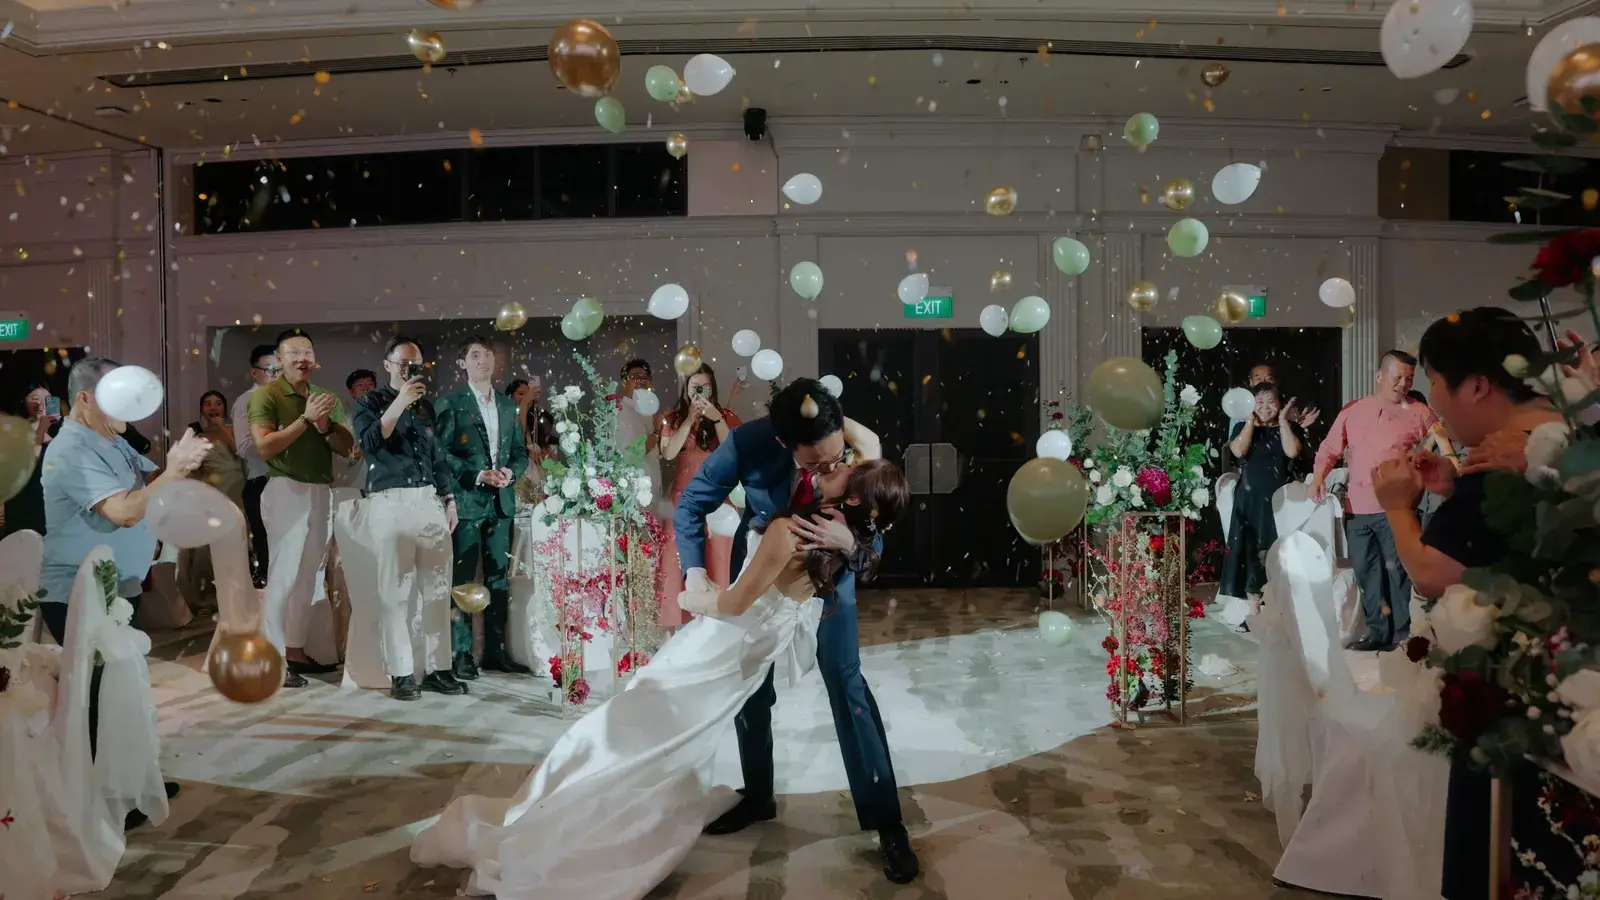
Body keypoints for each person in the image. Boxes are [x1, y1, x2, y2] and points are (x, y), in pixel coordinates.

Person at [411, 455, 911, 898]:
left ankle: (570, 820)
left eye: (843, 465)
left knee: (633, 721)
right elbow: (863, 491)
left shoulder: (799, 532)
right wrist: (852, 538)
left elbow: (736, 603)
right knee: (660, 727)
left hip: (723, 638)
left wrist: (690, 599)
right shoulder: (827, 533)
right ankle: (718, 798)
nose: (834, 460)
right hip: (748, 652)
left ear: (849, 498)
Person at [671, 378, 917, 883]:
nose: (831, 471)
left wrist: (854, 543)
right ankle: (758, 795)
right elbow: (691, 504)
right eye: (816, 466)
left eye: (836, 460)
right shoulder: (751, 442)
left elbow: (878, 517)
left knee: (848, 685)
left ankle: (887, 822)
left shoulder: (847, 442)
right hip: (764, 577)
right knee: (749, 689)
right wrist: (696, 572)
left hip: (829, 583)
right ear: (785, 446)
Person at [1368, 308, 1571, 899]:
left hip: (1521, 709)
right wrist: (1454, 493)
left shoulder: (1508, 457)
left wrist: (1398, 505)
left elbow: (1432, 572)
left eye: (1434, 379)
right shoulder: (1564, 435)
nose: (1432, 399)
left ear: (1478, 385)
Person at [38, 357, 210, 827]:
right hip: (78, 591)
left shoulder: (112, 439)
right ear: (86, 398)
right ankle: (101, 802)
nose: (131, 410)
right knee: (95, 697)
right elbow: (124, 511)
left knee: (123, 691)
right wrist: (173, 472)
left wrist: (182, 465)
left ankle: (133, 781)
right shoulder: (71, 449)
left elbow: (152, 485)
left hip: (118, 587)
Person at [340, 336, 466, 701]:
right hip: (389, 500)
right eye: (404, 363)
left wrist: (449, 499)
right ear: (389, 365)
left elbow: (437, 456)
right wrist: (399, 402)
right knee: (395, 592)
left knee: (439, 588)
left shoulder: (426, 408)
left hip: (428, 500)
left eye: (417, 363)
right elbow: (370, 442)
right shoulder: (370, 401)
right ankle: (401, 672)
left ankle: (439, 668)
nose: (411, 369)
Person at [247, 329, 355, 688]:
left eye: (307, 350)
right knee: (283, 574)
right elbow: (264, 447)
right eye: (293, 351)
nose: (302, 357)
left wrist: (325, 428)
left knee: (309, 575)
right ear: (279, 360)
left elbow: (348, 448)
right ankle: (272, 657)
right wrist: (305, 420)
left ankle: (294, 651)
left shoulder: (327, 397)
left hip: (321, 489)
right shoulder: (267, 395)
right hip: (284, 488)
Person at [1310, 350, 1438, 651]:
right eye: (1397, 378)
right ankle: (1379, 634)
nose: (1403, 384)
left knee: (1398, 573)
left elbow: (1443, 438)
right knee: (1368, 573)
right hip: (1357, 507)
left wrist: (1423, 459)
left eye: (1409, 379)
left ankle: (1406, 635)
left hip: (1395, 507)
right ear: (1379, 376)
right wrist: (1318, 476)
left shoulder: (1418, 411)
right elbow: (1330, 448)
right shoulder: (1354, 410)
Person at [435, 336, 530, 680]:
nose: (483, 360)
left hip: (502, 503)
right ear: (463, 364)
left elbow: (520, 453)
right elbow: (441, 454)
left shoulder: (507, 405)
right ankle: (461, 653)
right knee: (462, 578)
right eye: (474, 355)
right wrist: (476, 474)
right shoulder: (450, 402)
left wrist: (510, 472)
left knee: (497, 579)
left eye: (487, 355)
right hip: (468, 501)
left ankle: (495, 650)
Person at [657, 364, 742, 629]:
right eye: (695, 387)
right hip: (682, 500)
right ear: (686, 389)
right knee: (675, 560)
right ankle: (677, 628)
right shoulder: (671, 418)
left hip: (717, 503)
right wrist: (688, 419)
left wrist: (716, 418)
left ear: (713, 388)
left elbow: (733, 451)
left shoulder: (725, 415)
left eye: (705, 387)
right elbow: (669, 453)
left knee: (718, 558)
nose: (700, 392)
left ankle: (717, 625)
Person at [1219, 383, 1303, 602]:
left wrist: (1283, 421)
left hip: (1281, 499)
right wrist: (1250, 421)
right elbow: (1239, 450)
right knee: (1251, 548)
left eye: (1271, 402)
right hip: (1250, 498)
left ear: (1280, 404)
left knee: (1278, 547)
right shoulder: (1242, 428)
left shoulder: (1289, 428)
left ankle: (1278, 601)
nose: (1265, 408)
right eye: (1260, 403)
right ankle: (1253, 608)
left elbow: (1292, 451)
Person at [178, 390, 250, 613]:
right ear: (202, 409)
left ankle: (239, 594)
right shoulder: (197, 438)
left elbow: (243, 455)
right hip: (213, 494)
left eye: (218, 403)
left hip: (239, 492)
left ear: (224, 408)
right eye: (207, 404)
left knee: (240, 543)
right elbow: (190, 470)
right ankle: (209, 598)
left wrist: (222, 430)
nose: (213, 407)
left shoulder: (237, 432)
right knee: (208, 548)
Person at [232, 344, 279, 588]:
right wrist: (283, 440)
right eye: (271, 370)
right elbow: (244, 446)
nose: (277, 375)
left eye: (281, 369)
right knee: (269, 552)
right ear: (255, 373)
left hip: (292, 484)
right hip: (262, 482)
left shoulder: (291, 398)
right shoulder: (247, 401)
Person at [3, 382, 61, 537]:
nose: (41, 404)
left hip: (53, 511)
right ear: (24, 402)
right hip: (23, 510)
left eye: (47, 399)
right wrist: (40, 433)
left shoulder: (61, 432)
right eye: (35, 398)